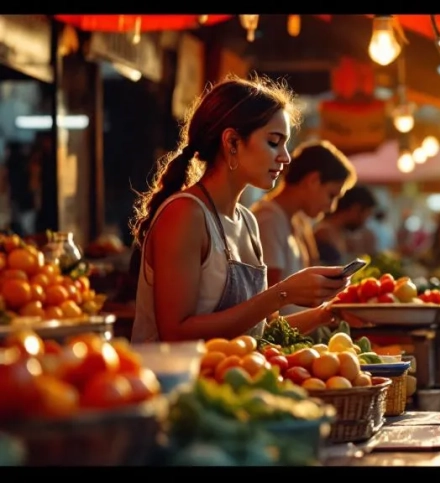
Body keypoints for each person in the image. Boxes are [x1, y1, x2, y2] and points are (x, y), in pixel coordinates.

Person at [129, 75, 348, 343]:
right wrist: (283, 293)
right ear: (232, 142)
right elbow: (175, 333)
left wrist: (328, 313)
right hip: (174, 382)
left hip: (233, 379)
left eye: (285, 144)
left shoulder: (247, 221)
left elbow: (258, 334)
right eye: (274, 141)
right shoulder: (185, 214)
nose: (286, 156)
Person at [252, 140, 357, 321]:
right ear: (313, 180)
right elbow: (268, 311)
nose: (331, 207)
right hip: (279, 343)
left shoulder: (298, 221)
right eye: (331, 195)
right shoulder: (269, 220)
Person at [314, 185, 378, 265]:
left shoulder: (339, 234)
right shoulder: (324, 233)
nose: (364, 222)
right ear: (355, 209)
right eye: (366, 215)